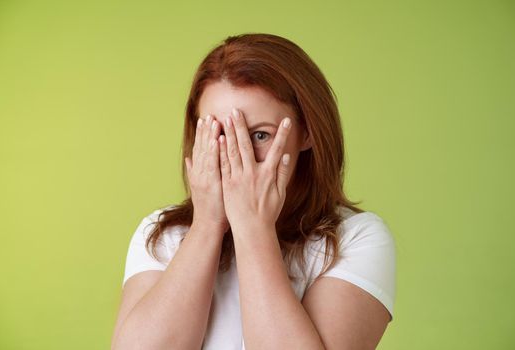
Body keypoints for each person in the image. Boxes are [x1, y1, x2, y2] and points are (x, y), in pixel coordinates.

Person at [111, 33, 396, 350]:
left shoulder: (357, 239)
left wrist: (253, 228)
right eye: (218, 133)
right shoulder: (162, 234)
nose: (236, 153)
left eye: (259, 135)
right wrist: (207, 225)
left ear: (307, 133)